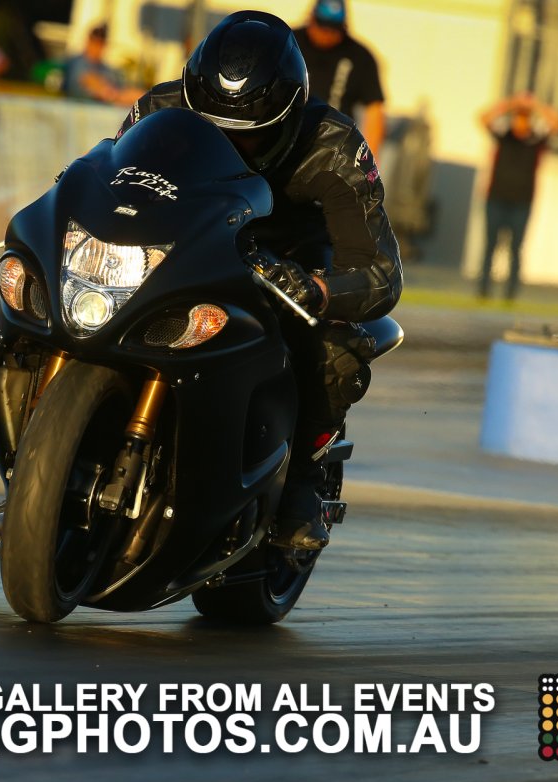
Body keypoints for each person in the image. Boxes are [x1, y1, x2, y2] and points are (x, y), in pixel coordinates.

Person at [117, 10, 403, 550]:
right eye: (212, 128)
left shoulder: (333, 146)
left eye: (245, 137)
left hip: (282, 263)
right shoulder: (158, 108)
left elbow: (381, 272)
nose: (228, 144)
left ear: (286, 116)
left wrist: (319, 290)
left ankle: (301, 484)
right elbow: (105, 181)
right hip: (186, 248)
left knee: (334, 344)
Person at [476, 91, 558, 300]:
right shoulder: (504, 137)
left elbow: (557, 123)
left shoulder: (535, 141)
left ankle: (510, 294)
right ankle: (483, 291)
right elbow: (483, 119)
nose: (519, 124)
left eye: (523, 119)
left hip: (522, 201)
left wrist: (535, 105)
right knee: (490, 246)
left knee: (516, 249)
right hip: (496, 198)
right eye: (517, 118)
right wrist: (511, 103)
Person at [292, 0, 386, 156]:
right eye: (322, 26)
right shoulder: (291, 42)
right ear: (311, 18)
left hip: (332, 149)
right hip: (285, 137)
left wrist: (370, 160)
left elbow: (375, 110)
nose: (326, 34)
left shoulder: (360, 57)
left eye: (333, 29)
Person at [62, 24, 143, 106]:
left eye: (100, 44)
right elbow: (88, 80)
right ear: (88, 41)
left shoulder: (107, 69)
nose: (97, 48)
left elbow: (124, 88)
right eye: (95, 42)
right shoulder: (77, 62)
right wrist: (112, 94)